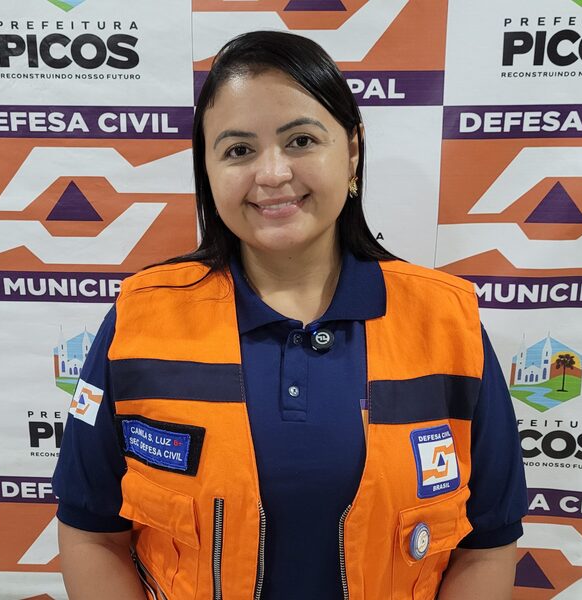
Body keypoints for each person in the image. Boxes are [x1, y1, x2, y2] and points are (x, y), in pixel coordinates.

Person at [53, 30, 527, 600]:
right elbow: (91, 531)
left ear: (352, 151)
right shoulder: (140, 319)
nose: (272, 174)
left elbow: (487, 543)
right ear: (207, 169)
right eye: (238, 150)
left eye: (301, 140)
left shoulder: (446, 321)